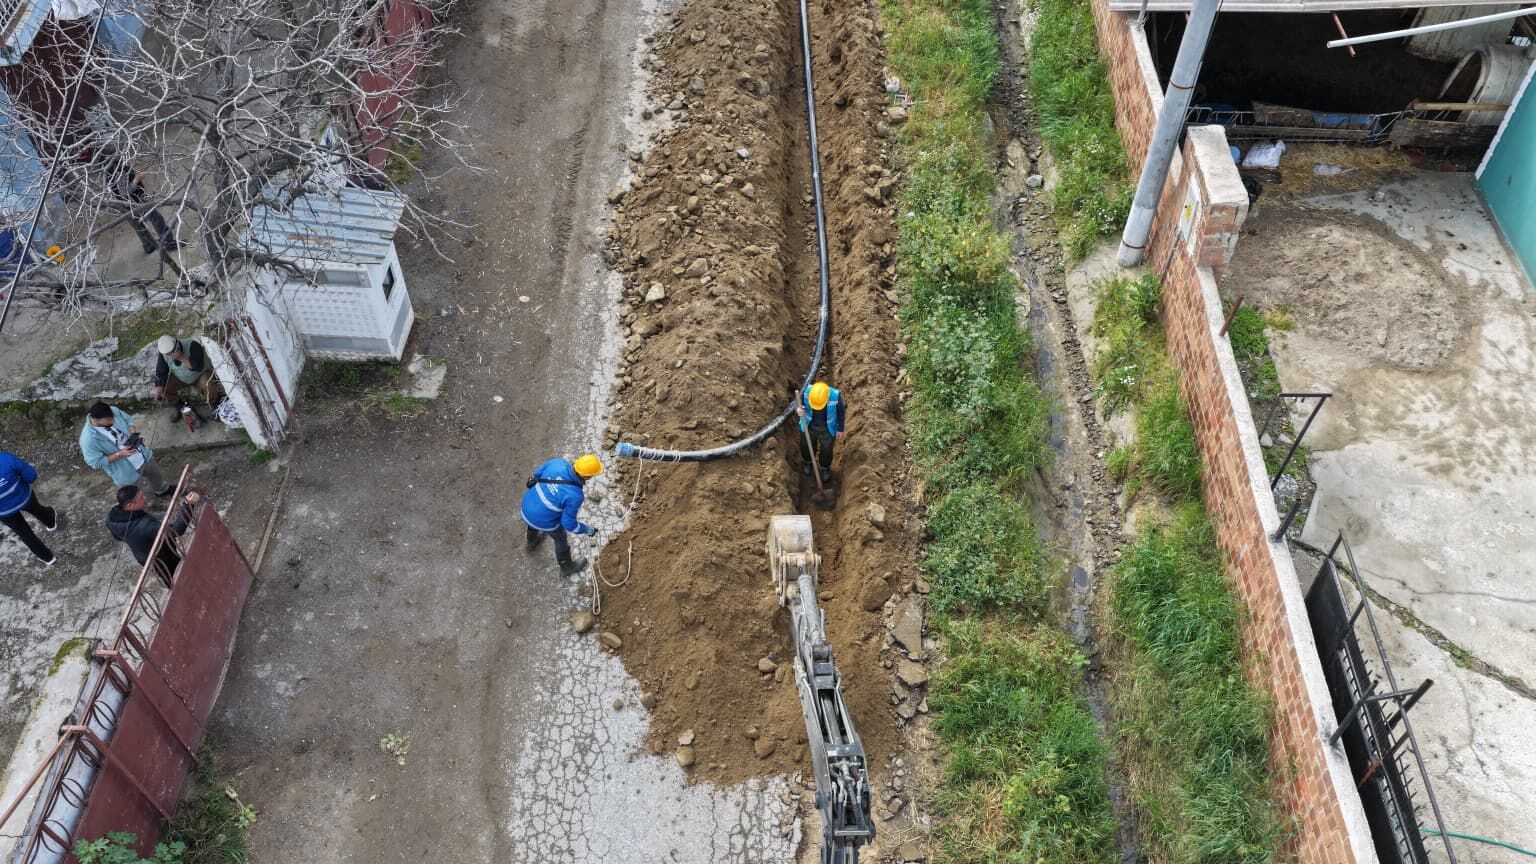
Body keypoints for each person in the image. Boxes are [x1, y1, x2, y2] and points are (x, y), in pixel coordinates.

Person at [520, 454, 603, 576]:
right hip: (541, 520)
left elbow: (536, 475)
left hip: (526, 506)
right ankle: (566, 567)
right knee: (560, 538)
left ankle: (532, 542)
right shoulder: (575, 495)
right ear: (587, 476)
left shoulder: (557, 463)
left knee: (538, 514)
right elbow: (568, 524)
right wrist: (586, 529)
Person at [106, 485, 201, 578]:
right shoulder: (145, 526)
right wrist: (188, 505)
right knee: (176, 576)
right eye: (140, 498)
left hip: (144, 557)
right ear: (130, 505)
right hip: (162, 558)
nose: (145, 498)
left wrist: (134, 540)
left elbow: (117, 537)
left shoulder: (111, 518)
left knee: (169, 575)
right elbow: (176, 530)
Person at [97, 148, 178, 255]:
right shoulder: (117, 170)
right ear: (111, 156)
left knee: (139, 225)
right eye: (117, 152)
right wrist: (137, 179)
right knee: (156, 218)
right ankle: (169, 243)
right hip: (134, 202)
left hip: (124, 205)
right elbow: (124, 192)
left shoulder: (105, 170)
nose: (121, 153)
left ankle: (148, 246)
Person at [80, 402, 173, 494]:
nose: (113, 421)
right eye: (109, 420)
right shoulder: (88, 440)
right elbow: (95, 463)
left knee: (155, 474)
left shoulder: (112, 410)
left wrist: (134, 435)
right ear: (96, 420)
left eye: (113, 418)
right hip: (126, 471)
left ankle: (162, 490)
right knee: (134, 494)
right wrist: (119, 454)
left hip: (143, 455)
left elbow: (128, 420)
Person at [0, 450, 58, 567]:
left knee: (24, 532)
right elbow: (31, 476)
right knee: (38, 510)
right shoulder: (5, 459)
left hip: (4, 512)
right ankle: (51, 523)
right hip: (24, 497)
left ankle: (47, 557)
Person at [154, 335, 224, 420]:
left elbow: (197, 367)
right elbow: (161, 371)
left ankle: (214, 404)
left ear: (177, 344)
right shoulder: (164, 354)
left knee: (208, 384)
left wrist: (181, 357)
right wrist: (159, 387)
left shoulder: (192, 345)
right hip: (181, 377)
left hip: (200, 375)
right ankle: (179, 406)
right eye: (168, 354)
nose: (171, 355)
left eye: (172, 352)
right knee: (164, 388)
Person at [795, 380, 844, 483]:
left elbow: (841, 412)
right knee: (806, 444)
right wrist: (799, 410)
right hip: (809, 424)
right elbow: (799, 404)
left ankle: (825, 467)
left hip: (827, 427)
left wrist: (840, 429)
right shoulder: (806, 392)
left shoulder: (835, 396)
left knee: (827, 448)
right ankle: (807, 462)